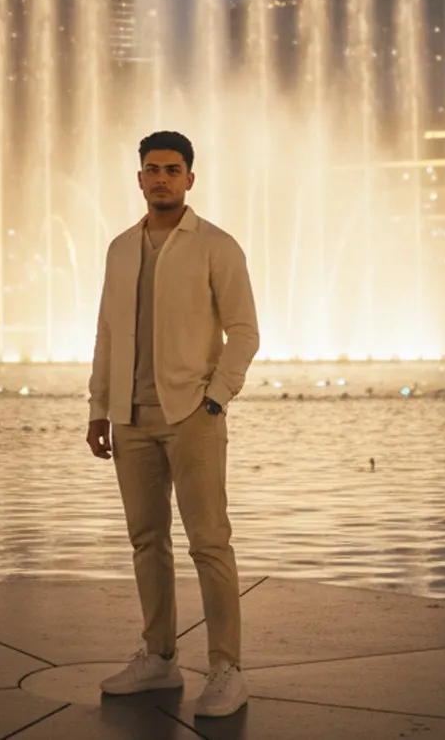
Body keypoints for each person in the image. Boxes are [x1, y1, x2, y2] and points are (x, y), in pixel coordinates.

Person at [86, 131, 260, 718]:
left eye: (173, 169)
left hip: (192, 415)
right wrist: (98, 408)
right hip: (131, 420)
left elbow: (244, 331)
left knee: (209, 543)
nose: (161, 178)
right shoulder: (119, 249)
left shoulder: (216, 246)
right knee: (146, 542)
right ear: (139, 179)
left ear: (190, 178)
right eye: (151, 169)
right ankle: (159, 656)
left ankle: (225, 668)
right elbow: (107, 333)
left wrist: (217, 398)